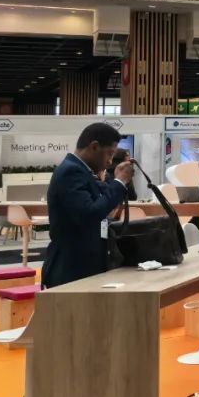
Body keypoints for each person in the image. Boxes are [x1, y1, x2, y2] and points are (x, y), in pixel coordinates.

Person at [43, 123, 133, 289]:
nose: (110, 161)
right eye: (109, 153)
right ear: (94, 146)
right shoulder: (71, 171)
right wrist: (119, 182)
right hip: (72, 269)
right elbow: (89, 214)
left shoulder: (82, 171)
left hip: (82, 265)